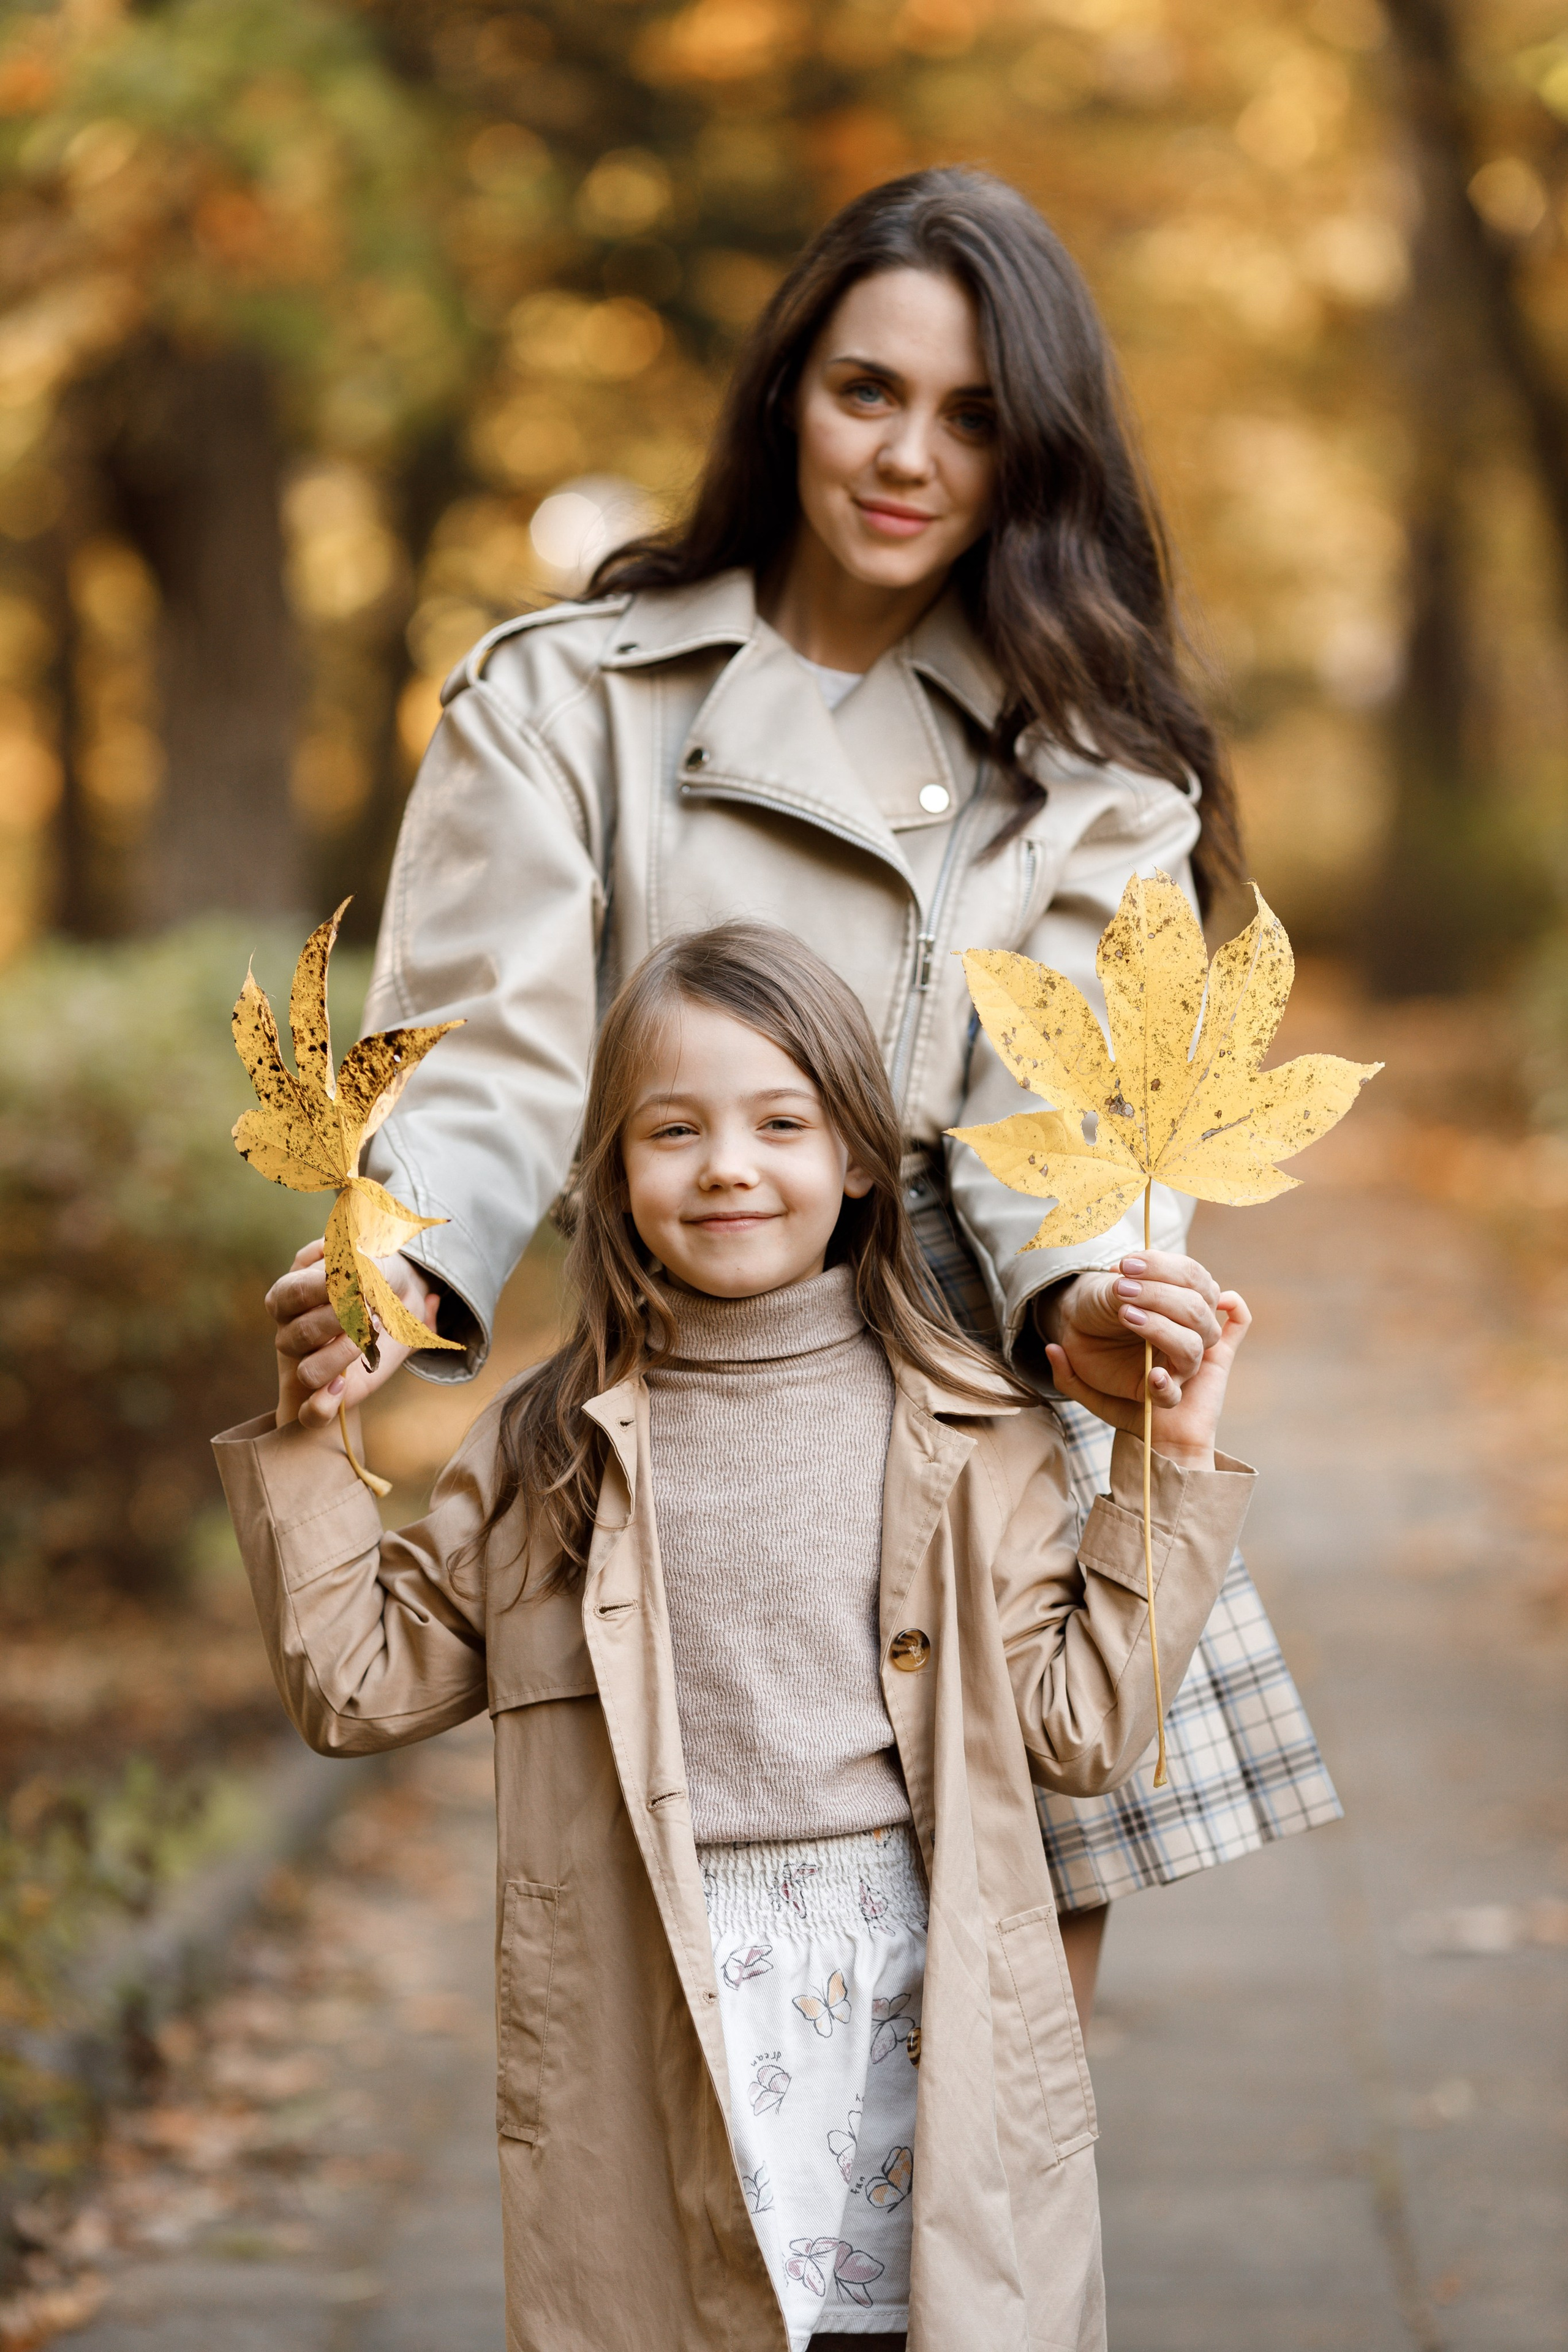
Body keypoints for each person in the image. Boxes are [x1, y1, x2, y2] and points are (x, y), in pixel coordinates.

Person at [271, 167, 1338, 2022]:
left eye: (974, 417)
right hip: (696, 1389)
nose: (909, 456)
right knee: (715, 2049)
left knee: (992, 2077)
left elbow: (1063, 1123)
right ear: (786, 395)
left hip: (995, 1395)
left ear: (1036, 455)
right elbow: (490, 1049)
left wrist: (1090, 1302)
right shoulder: (563, 701)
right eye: (867, 391)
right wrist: (400, 1268)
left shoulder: (1085, 761)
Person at [218, 924, 1256, 2352]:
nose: (726, 1167)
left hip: (910, 2007)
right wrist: (307, 1436)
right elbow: (354, 1687)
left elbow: (1082, 1734)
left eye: (780, 1123)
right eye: (672, 1130)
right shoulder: (543, 1450)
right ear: (608, 1175)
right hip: (657, 1995)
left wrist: (1165, 1469)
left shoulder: (974, 1432)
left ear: (859, 1161)